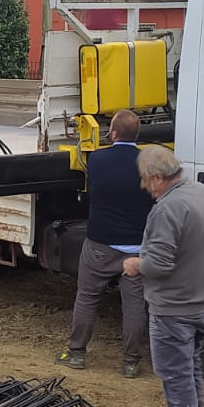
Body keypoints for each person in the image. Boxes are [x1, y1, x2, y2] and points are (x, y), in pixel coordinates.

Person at [121, 145, 204, 407]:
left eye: (144, 180)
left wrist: (135, 265)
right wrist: (202, 279)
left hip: (173, 311)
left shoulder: (168, 209)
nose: (142, 187)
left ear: (157, 178)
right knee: (192, 370)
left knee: (177, 378)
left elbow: (159, 264)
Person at [57, 108, 155, 376]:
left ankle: (76, 353)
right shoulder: (148, 165)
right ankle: (131, 362)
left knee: (87, 297)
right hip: (136, 249)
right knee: (134, 304)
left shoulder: (98, 159)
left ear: (112, 133)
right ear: (137, 134)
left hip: (100, 245)